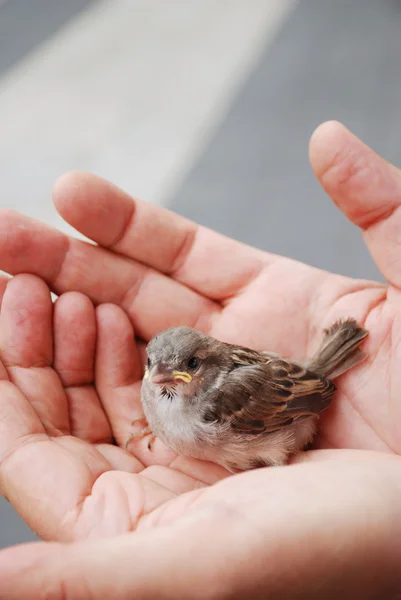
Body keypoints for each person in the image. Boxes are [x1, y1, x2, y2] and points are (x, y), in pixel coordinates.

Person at [0, 121, 400, 599]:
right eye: (155, 369)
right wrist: (158, 420)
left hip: (291, 412)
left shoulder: (223, 401)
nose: (163, 378)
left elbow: (303, 399)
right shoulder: (155, 384)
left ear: (206, 362)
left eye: (183, 367)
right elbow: (163, 384)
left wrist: (277, 485)